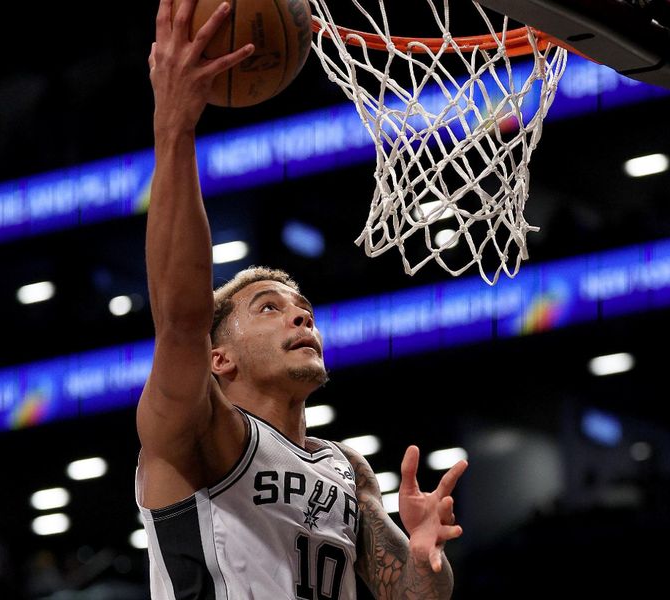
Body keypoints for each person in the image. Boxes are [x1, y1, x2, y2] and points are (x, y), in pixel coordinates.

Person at [134, 0, 469, 597]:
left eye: (301, 305)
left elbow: (416, 596)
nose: (299, 312)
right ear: (220, 359)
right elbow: (182, 320)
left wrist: (423, 560)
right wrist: (174, 126)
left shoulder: (346, 470)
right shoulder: (198, 428)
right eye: (268, 306)